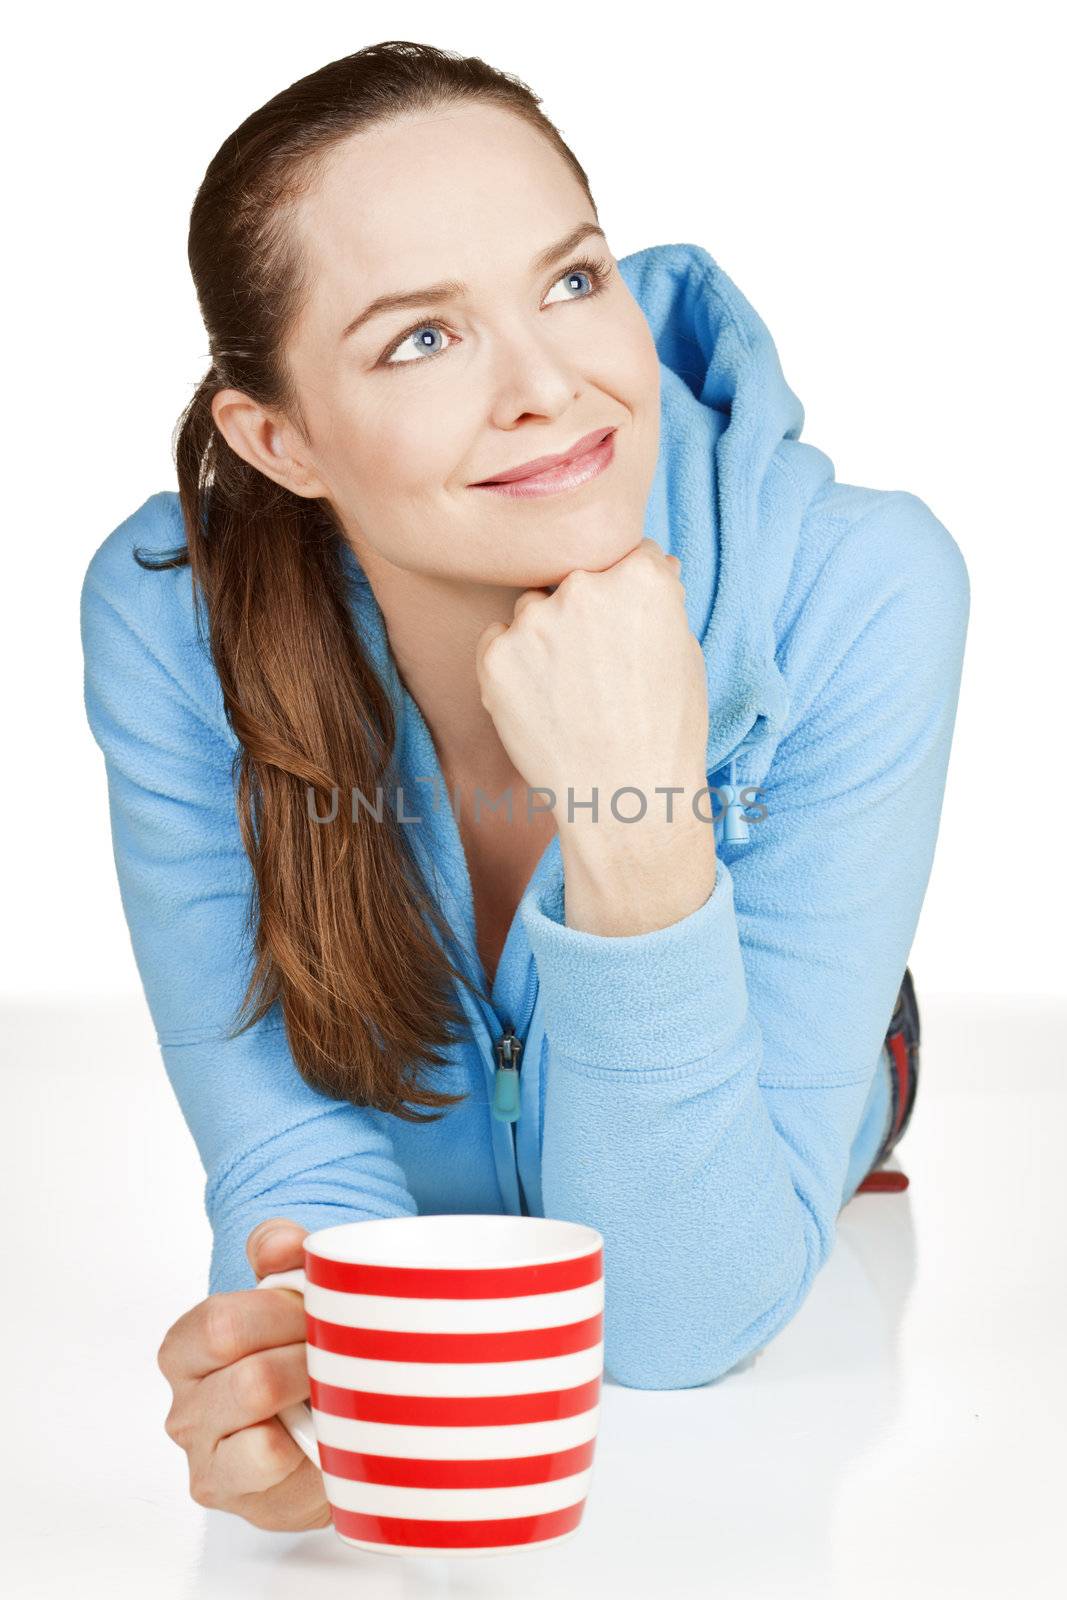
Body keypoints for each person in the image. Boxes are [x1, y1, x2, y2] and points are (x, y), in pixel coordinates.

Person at [79, 40, 969, 1532]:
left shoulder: (860, 587)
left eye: (570, 281)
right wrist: (324, 1377)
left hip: (768, 1022)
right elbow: (290, 1145)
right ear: (277, 437)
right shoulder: (169, 609)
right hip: (441, 1066)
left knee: (776, 1130)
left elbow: (683, 1325)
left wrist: (641, 825)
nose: (554, 387)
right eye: (420, 340)